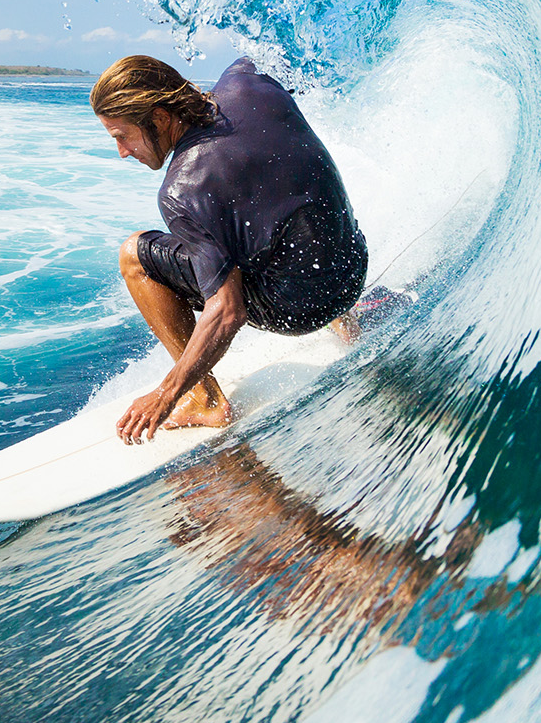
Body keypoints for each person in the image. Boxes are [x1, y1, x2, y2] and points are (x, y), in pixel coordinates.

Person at [92, 54, 367, 444]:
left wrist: (164, 395)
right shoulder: (247, 81)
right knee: (269, 198)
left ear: (159, 118)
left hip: (300, 310)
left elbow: (227, 310)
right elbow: (274, 56)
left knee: (134, 255)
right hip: (352, 268)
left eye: (122, 135)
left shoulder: (181, 189)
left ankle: (204, 399)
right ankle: (348, 321)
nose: (121, 151)